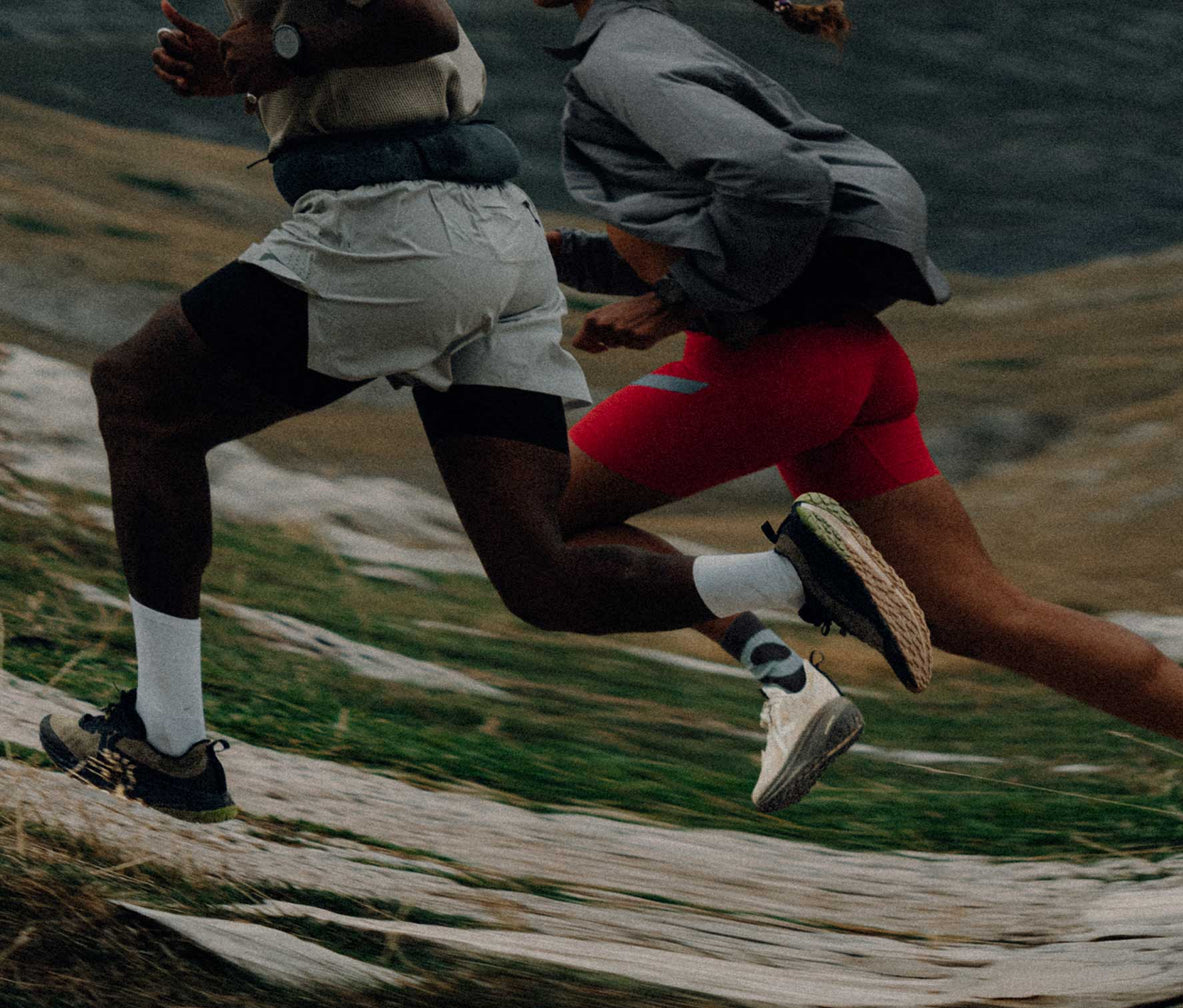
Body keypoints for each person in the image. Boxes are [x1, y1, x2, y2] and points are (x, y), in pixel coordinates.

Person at [38, 0, 932, 822]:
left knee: (142, 401)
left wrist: (273, 49)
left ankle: (166, 743)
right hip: (495, 234)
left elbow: (414, 18)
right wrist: (254, 65)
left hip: (393, 226)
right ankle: (794, 578)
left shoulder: (613, 57)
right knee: (538, 574)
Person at [535, 0, 1183, 812]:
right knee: (991, 619)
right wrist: (570, 255)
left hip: (776, 363)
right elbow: (741, 223)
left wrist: (674, 301)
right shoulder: (660, 44)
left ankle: (796, 649)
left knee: (533, 518)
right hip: (851, 357)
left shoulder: (619, 61)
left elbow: (780, 186)